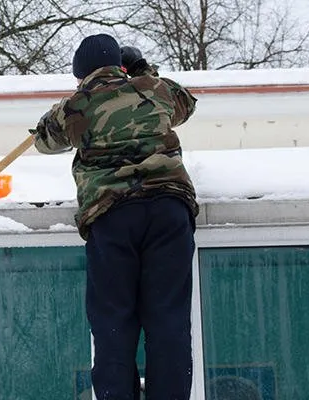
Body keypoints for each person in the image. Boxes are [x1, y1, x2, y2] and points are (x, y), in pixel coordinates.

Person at [29, 33, 199, 400]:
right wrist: (143, 72)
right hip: (169, 210)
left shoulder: (78, 106)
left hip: (112, 215)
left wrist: (75, 98)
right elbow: (186, 102)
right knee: (168, 320)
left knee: (113, 326)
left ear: (80, 74)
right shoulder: (153, 89)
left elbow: (43, 139)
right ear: (122, 66)